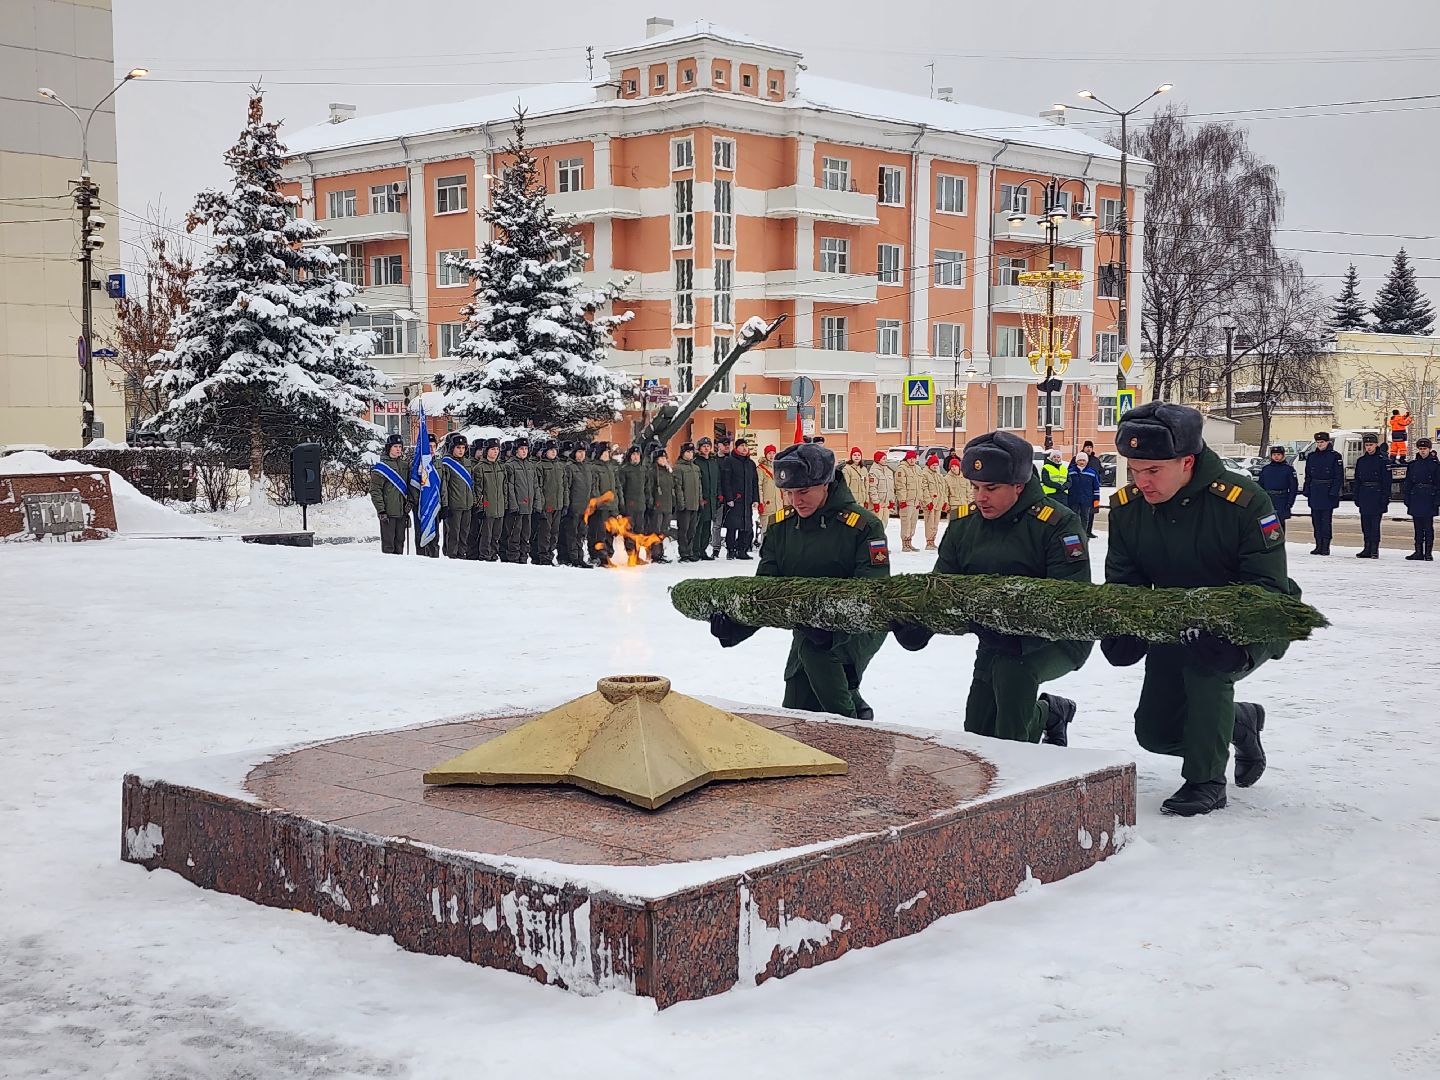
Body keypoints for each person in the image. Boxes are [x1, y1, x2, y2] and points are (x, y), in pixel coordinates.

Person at [1103, 402, 1298, 816]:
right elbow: (1124, 579)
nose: (1141, 481)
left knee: (1206, 669)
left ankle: (1206, 781)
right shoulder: (1129, 508)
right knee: (1155, 733)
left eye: (1153, 470)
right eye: (1134, 470)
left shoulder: (1243, 502)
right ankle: (1237, 722)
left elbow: (1267, 585)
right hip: (1175, 620)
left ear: (1187, 461)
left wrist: (1239, 644)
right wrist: (1123, 627)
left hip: (1254, 616)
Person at [889, 431, 1090, 747]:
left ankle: (1018, 764)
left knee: (1011, 701)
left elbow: (1070, 600)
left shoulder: (1056, 524)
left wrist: (1021, 632)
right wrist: (919, 625)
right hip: (994, 637)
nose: (980, 497)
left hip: (1056, 639)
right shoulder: (965, 525)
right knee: (978, 733)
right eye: (975, 487)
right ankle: (1049, 713)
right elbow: (944, 586)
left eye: (991, 488)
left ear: (1019, 485)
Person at [709, 443, 889, 720]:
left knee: (822, 668)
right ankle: (853, 714)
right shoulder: (782, 528)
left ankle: (855, 727)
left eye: (803, 491)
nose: (796, 501)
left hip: (858, 628)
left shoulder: (862, 526)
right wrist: (735, 626)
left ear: (825, 483)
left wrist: (834, 632)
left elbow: (873, 592)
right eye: (789, 493)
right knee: (797, 700)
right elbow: (767, 591)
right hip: (809, 629)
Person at [1301, 431, 1343, 556]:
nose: (1320, 444)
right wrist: (1307, 489)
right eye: (1318, 442)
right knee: (1316, 521)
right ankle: (1318, 545)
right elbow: (1308, 475)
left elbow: (1338, 476)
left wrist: (1334, 492)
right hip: (1315, 491)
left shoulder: (1335, 456)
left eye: (1322, 442)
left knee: (1325, 521)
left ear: (1327, 442)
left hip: (1327, 492)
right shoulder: (1312, 456)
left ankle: (1325, 546)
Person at [369, 434, 411, 555]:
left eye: (400, 447)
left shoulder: (405, 466)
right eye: (395, 446)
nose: (398, 449)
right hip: (388, 513)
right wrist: (381, 510)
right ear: (389, 448)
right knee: (388, 545)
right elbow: (375, 491)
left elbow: (410, 486)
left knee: (400, 543)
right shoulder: (381, 468)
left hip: (402, 512)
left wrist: (410, 502)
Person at [720, 437, 760, 559]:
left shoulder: (750, 464)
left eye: (746, 446)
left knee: (746, 525)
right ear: (737, 448)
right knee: (732, 526)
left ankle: (742, 550)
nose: (744, 448)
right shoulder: (729, 461)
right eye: (742, 446)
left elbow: (754, 483)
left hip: (746, 499)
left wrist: (755, 499)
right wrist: (729, 498)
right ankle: (731, 549)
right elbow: (726, 481)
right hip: (734, 499)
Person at [1353, 432, 1390, 559]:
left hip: (1377, 495)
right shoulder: (1361, 461)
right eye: (1367, 445)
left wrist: (1385, 498)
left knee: (1375, 525)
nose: (1368, 447)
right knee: (1365, 524)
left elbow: (1386, 482)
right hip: (1364, 494)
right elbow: (1357, 480)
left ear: (1376, 445)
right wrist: (1356, 496)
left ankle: (1374, 549)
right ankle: (1367, 548)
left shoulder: (1383, 461)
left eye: (1371, 445)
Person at [438, 432, 475, 559]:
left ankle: (461, 555)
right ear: (452, 448)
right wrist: (445, 505)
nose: (461, 450)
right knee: (453, 534)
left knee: (464, 533)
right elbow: (444, 486)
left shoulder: (468, 463)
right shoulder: (446, 463)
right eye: (458, 447)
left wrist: (473, 501)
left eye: (463, 448)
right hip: (454, 505)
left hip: (467, 505)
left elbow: (472, 484)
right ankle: (452, 556)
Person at [559, 441, 593, 568]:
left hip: (584, 508)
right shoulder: (569, 467)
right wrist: (567, 505)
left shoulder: (586, 467)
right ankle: (574, 558)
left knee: (581, 534)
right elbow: (566, 488)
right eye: (579, 452)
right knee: (572, 534)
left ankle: (579, 556)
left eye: (583, 452)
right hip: (573, 507)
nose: (582, 454)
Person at [502, 439, 537, 564]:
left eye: (526, 449)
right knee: (514, 535)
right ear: (516, 450)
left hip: (528, 507)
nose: (524, 451)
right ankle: (514, 559)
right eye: (521, 449)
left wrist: (536, 504)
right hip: (516, 507)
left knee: (526, 535)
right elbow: (509, 487)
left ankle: (523, 558)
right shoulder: (510, 465)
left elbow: (535, 486)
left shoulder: (530, 465)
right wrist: (513, 505)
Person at [530, 440, 565, 566]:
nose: (553, 452)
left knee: (554, 533)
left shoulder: (560, 466)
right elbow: (538, 488)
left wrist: (565, 503)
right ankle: (543, 557)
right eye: (551, 450)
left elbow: (564, 486)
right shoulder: (540, 466)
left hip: (558, 505)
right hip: (547, 506)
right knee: (545, 533)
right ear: (545, 451)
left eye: (555, 450)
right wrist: (541, 505)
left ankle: (550, 555)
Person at [1403, 437, 1437, 560]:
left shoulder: (1435, 465)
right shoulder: (1413, 465)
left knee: (1428, 527)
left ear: (1429, 449)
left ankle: (1428, 552)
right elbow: (1408, 483)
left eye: (1425, 448)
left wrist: (1437, 500)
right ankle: (1418, 551)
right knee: (1417, 528)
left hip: (1429, 498)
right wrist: (1407, 498)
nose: (1422, 451)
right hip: (1416, 497)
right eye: (1421, 448)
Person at [587, 441, 618, 566]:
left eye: (608, 452)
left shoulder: (610, 468)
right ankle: (597, 555)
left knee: (610, 533)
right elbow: (594, 488)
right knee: (598, 533)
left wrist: (616, 504)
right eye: (604, 452)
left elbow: (615, 488)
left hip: (611, 506)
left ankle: (608, 555)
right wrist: (598, 502)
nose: (606, 454)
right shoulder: (594, 468)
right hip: (600, 507)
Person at [616, 445, 648, 564]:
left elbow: (647, 488)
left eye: (637, 454)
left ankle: (637, 555)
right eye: (633, 454)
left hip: (641, 505)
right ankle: (631, 555)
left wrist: (648, 501)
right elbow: (621, 489)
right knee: (629, 532)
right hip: (629, 506)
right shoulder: (624, 470)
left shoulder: (643, 470)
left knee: (639, 531)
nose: (636, 457)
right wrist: (622, 506)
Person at [673, 442, 702, 562]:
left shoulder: (696, 468)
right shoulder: (678, 468)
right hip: (685, 505)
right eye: (687, 452)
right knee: (683, 530)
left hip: (695, 504)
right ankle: (683, 552)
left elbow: (699, 486)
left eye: (691, 452)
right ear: (683, 453)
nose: (690, 454)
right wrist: (681, 503)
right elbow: (678, 487)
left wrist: (700, 500)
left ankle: (690, 551)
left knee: (692, 530)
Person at [692, 437, 720, 561]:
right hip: (701, 499)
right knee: (699, 526)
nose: (706, 448)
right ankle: (695, 550)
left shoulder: (713, 462)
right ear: (699, 448)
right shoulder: (696, 462)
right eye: (704, 446)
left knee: (707, 527)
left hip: (712, 499)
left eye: (708, 446)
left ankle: (703, 550)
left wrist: (719, 495)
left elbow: (718, 480)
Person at [646, 445, 675, 563]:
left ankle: (660, 552)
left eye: (664, 458)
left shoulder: (668, 471)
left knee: (663, 530)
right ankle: (654, 554)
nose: (663, 460)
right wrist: (651, 502)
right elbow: (649, 488)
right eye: (661, 458)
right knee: (655, 530)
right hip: (657, 505)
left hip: (667, 504)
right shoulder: (653, 472)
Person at [1258, 446, 1299, 523]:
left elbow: (1293, 487)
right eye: (1274, 454)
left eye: (1278, 454)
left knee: (1280, 524)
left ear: (1283, 455)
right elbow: (1260, 486)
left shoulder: (1288, 469)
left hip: (1282, 499)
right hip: (1269, 499)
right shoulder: (1266, 469)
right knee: (1269, 524)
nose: (1276, 456)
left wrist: (1290, 502)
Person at [709, 435, 733, 557]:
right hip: (717, 496)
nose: (727, 447)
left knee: (731, 524)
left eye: (729, 444)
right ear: (719, 446)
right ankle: (716, 548)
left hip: (731, 496)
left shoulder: (732, 459)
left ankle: (731, 548)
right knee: (716, 524)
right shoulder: (713, 460)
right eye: (725, 444)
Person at [894, 449, 923, 551]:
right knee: (906, 522)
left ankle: (910, 541)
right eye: (910, 458)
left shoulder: (918, 469)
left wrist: (920, 499)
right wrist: (902, 500)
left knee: (913, 522)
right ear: (906, 458)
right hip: (907, 500)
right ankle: (904, 543)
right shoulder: (902, 469)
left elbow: (921, 485)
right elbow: (900, 485)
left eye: (914, 458)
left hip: (915, 500)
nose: (912, 460)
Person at [1066, 453, 1101, 538]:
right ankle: (1074, 533)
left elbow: (1096, 486)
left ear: (1086, 461)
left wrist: (1096, 499)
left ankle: (1083, 534)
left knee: (1085, 517)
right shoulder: (1070, 471)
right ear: (1076, 461)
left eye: (1083, 460)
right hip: (1073, 499)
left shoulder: (1092, 472)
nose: (1082, 462)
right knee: (1074, 517)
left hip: (1087, 499)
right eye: (1080, 460)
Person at [920, 454, 945, 550]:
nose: (935, 467)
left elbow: (942, 489)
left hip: (938, 503)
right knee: (929, 523)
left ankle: (933, 540)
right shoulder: (925, 474)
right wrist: (928, 501)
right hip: (930, 503)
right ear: (929, 465)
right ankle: (929, 542)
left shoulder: (938, 475)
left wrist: (944, 501)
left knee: (935, 524)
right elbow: (924, 488)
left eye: (936, 465)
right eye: (933, 465)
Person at [756, 444, 780, 542]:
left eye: (773, 453)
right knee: (766, 529)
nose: (771, 455)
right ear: (765, 454)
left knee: (777, 529)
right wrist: (760, 502)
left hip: (778, 505)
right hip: (767, 504)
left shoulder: (778, 468)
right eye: (769, 453)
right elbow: (759, 486)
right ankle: (764, 547)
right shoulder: (761, 469)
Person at [941, 454, 971, 521]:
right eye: (952, 466)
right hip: (953, 506)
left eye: (955, 466)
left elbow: (969, 491)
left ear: (959, 467)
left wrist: (970, 503)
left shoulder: (965, 477)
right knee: (954, 524)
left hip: (964, 505)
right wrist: (946, 503)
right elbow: (945, 493)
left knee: (963, 524)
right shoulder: (947, 478)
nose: (954, 468)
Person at [867, 451, 895, 519]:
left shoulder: (889, 471)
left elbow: (891, 488)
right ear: (878, 460)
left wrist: (892, 500)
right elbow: (872, 488)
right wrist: (875, 502)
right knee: (878, 523)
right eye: (883, 459)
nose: (885, 460)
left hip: (886, 504)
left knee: (885, 523)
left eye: (886, 458)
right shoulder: (873, 472)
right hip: (878, 503)